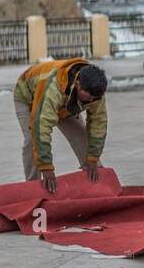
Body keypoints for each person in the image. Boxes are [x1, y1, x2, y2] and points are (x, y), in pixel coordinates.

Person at [14, 58, 108, 194]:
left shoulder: (95, 91)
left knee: (82, 139)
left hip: (66, 105)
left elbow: (98, 124)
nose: (91, 101)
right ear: (78, 84)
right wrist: (47, 167)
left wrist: (93, 157)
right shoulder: (54, 87)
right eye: (87, 98)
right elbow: (41, 127)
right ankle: (33, 187)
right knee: (32, 140)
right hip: (28, 97)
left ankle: (97, 179)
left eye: (94, 99)